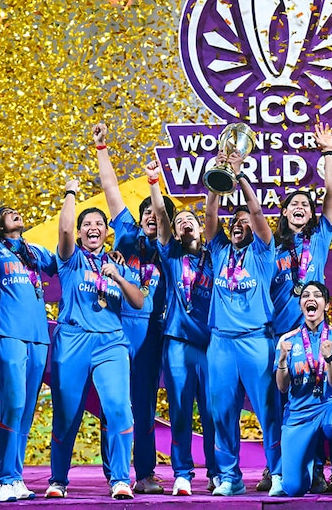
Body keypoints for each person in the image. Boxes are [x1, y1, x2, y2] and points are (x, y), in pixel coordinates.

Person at [46, 179, 144, 500]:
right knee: (67, 415)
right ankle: (58, 480)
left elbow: (138, 301)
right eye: (86, 224)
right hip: (72, 340)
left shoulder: (117, 264)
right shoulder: (70, 258)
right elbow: (63, 233)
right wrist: (71, 193)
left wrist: (117, 275)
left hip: (111, 343)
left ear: (106, 232)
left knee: (118, 408)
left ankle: (119, 478)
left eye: (99, 224)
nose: (93, 228)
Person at [93, 123, 167, 494]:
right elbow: (110, 190)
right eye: (147, 214)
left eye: (158, 214)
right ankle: (114, 472)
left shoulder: (169, 248)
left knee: (143, 406)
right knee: (115, 404)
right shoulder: (125, 235)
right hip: (119, 328)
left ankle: (145, 473)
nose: (153, 217)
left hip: (152, 333)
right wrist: (102, 148)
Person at [204, 149, 282, 496]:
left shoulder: (264, 253)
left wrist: (242, 179)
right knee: (221, 412)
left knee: (268, 411)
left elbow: (256, 213)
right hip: (220, 342)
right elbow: (210, 213)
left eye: (244, 221)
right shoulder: (220, 251)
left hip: (256, 341)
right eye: (233, 221)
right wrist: (221, 177)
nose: (238, 223)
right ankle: (230, 477)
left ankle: (277, 473)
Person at [268, 122, 332, 493]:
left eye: (304, 206)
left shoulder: (321, 236)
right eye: (293, 204)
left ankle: (320, 468)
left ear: (311, 216)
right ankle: (277, 467)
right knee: (280, 404)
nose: (299, 208)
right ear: (283, 212)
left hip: (315, 334)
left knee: (320, 398)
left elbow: (330, 195)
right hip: (281, 333)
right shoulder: (272, 247)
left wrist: (327, 153)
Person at [147, 159, 219, 496]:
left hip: (210, 344)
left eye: (192, 219)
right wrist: (153, 182)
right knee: (179, 409)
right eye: (181, 222)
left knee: (213, 412)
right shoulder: (172, 256)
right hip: (177, 341)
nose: (186, 223)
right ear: (175, 231)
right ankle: (183, 473)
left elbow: (210, 216)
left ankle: (217, 472)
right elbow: (161, 217)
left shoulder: (215, 256)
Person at [0, 206, 57, 502]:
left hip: (39, 337)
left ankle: (15, 477)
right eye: (7, 212)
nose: (15, 213)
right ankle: (4, 478)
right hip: (10, 334)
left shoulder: (33, 251)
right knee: (12, 405)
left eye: (17, 210)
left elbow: (64, 259)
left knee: (26, 410)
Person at [276, 281, 332, 499]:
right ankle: (310, 474)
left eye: (317, 295)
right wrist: (282, 361)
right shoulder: (287, 340)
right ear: (300, 306)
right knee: (293, 488)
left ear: (325, 305)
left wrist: (329, 358)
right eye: (306, 295)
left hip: (330, 406)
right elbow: (282, 386)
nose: (311, 299)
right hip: (299, 413)